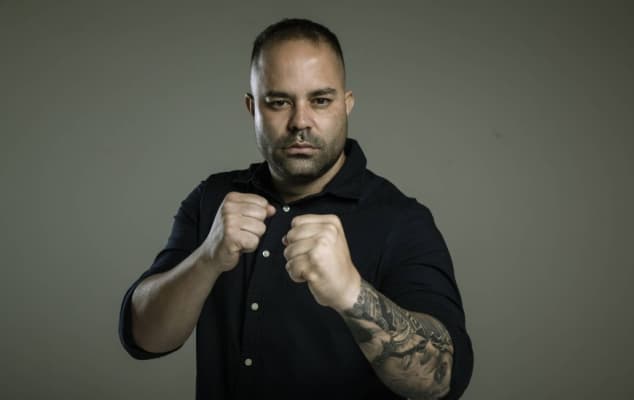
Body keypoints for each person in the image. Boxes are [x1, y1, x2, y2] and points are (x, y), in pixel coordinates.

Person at [119, 18, 473, 399]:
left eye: (320, 100)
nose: (300, 121)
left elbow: (442, 378)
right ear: (252, 108)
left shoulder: (401, 220)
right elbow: (143, 337)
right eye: (279, 102)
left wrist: (351, 292)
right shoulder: (213, 199)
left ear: (346, 105)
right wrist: (207, 258)